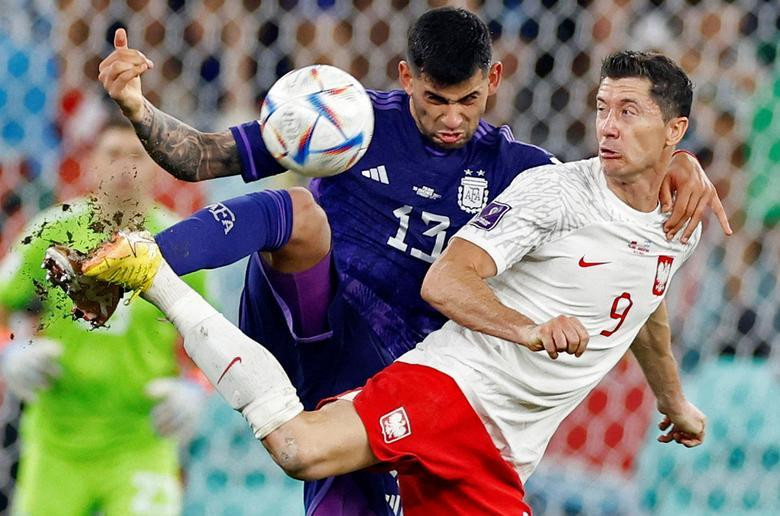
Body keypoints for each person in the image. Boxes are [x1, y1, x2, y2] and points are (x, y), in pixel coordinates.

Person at [97, 8, 727, 514]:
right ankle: (140, 264)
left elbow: (622, 239)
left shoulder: (524, 171)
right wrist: (136, 107)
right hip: (317, 326)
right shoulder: (348, 120)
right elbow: (203, 158)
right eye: (434, 99)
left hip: (405, 377)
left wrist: (677, 165)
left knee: (341, 488)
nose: (452, 118)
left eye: (469, 101)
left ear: (496, 82)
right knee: (295, 211)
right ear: (405, 77)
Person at [0, 115, 210, 516]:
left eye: (138, 155)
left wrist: (196, 389)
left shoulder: (182, 246)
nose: (125, 167)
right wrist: (9, 353)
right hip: (56, 441)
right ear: (94, 161)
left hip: (141, 440)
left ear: (156, 165)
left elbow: (210, 336)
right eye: (113, 154)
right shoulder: (50, 232)